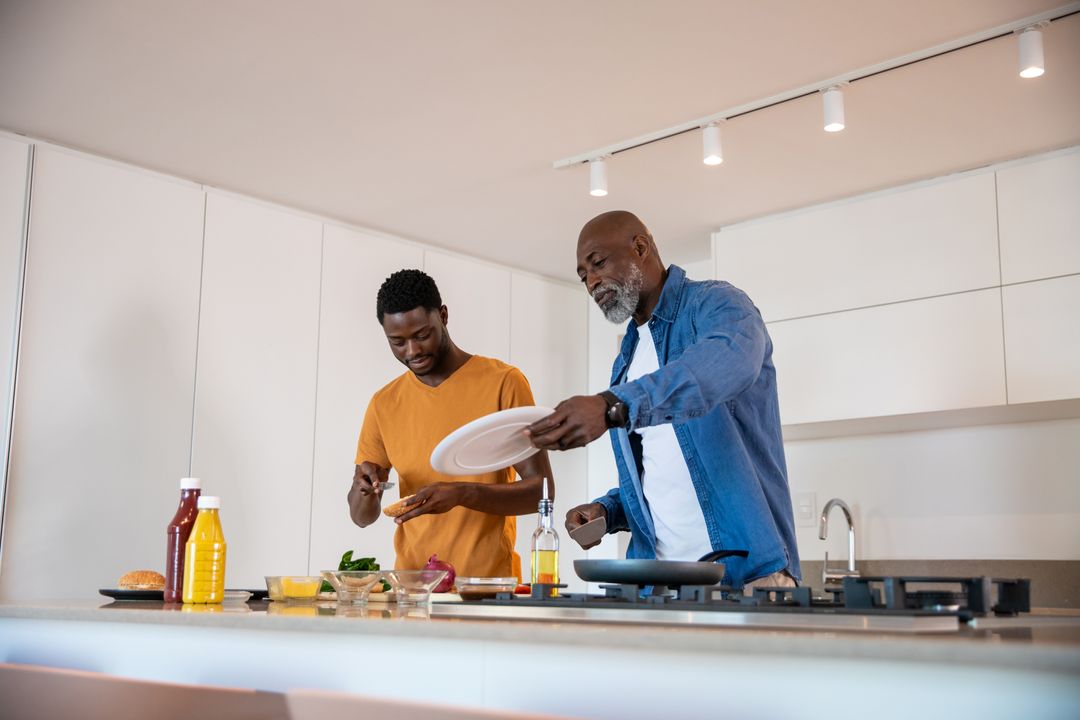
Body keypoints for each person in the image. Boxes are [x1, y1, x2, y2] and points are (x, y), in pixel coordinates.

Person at [525, 211, 801, 591]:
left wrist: (610, 406)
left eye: (598, 263)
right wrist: (608, 511)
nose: (591, 281)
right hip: (660, 584)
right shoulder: (626, 358)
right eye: (583, 275)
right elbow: (660, 472)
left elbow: (719, 367)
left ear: (641, 247)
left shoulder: (719, 305)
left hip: (745, 577)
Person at [348, 269, 552, 579]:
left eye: (421, 335)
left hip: (488, 588)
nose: (412, 351)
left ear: (443, 316)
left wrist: (463, 494)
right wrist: (363, 492)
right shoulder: (383, 404)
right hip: (413, 588)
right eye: (397, 342)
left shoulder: (503, 383)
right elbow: (362, 517)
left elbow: (542, 492)